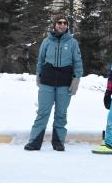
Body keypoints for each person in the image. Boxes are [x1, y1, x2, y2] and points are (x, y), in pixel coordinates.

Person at [24, 14, 83, 152]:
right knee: (43, 112)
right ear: (54, 25)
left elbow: (78, 62)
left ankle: (58, 142)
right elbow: (40, 60)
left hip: (64, 82)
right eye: (59, 23)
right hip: (47, 81)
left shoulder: (72, 43)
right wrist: (38, 76)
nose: (62, 25)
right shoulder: (47, 41)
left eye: (65, 23)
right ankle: (34, 142)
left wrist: (76, 79)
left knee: (61, 114)